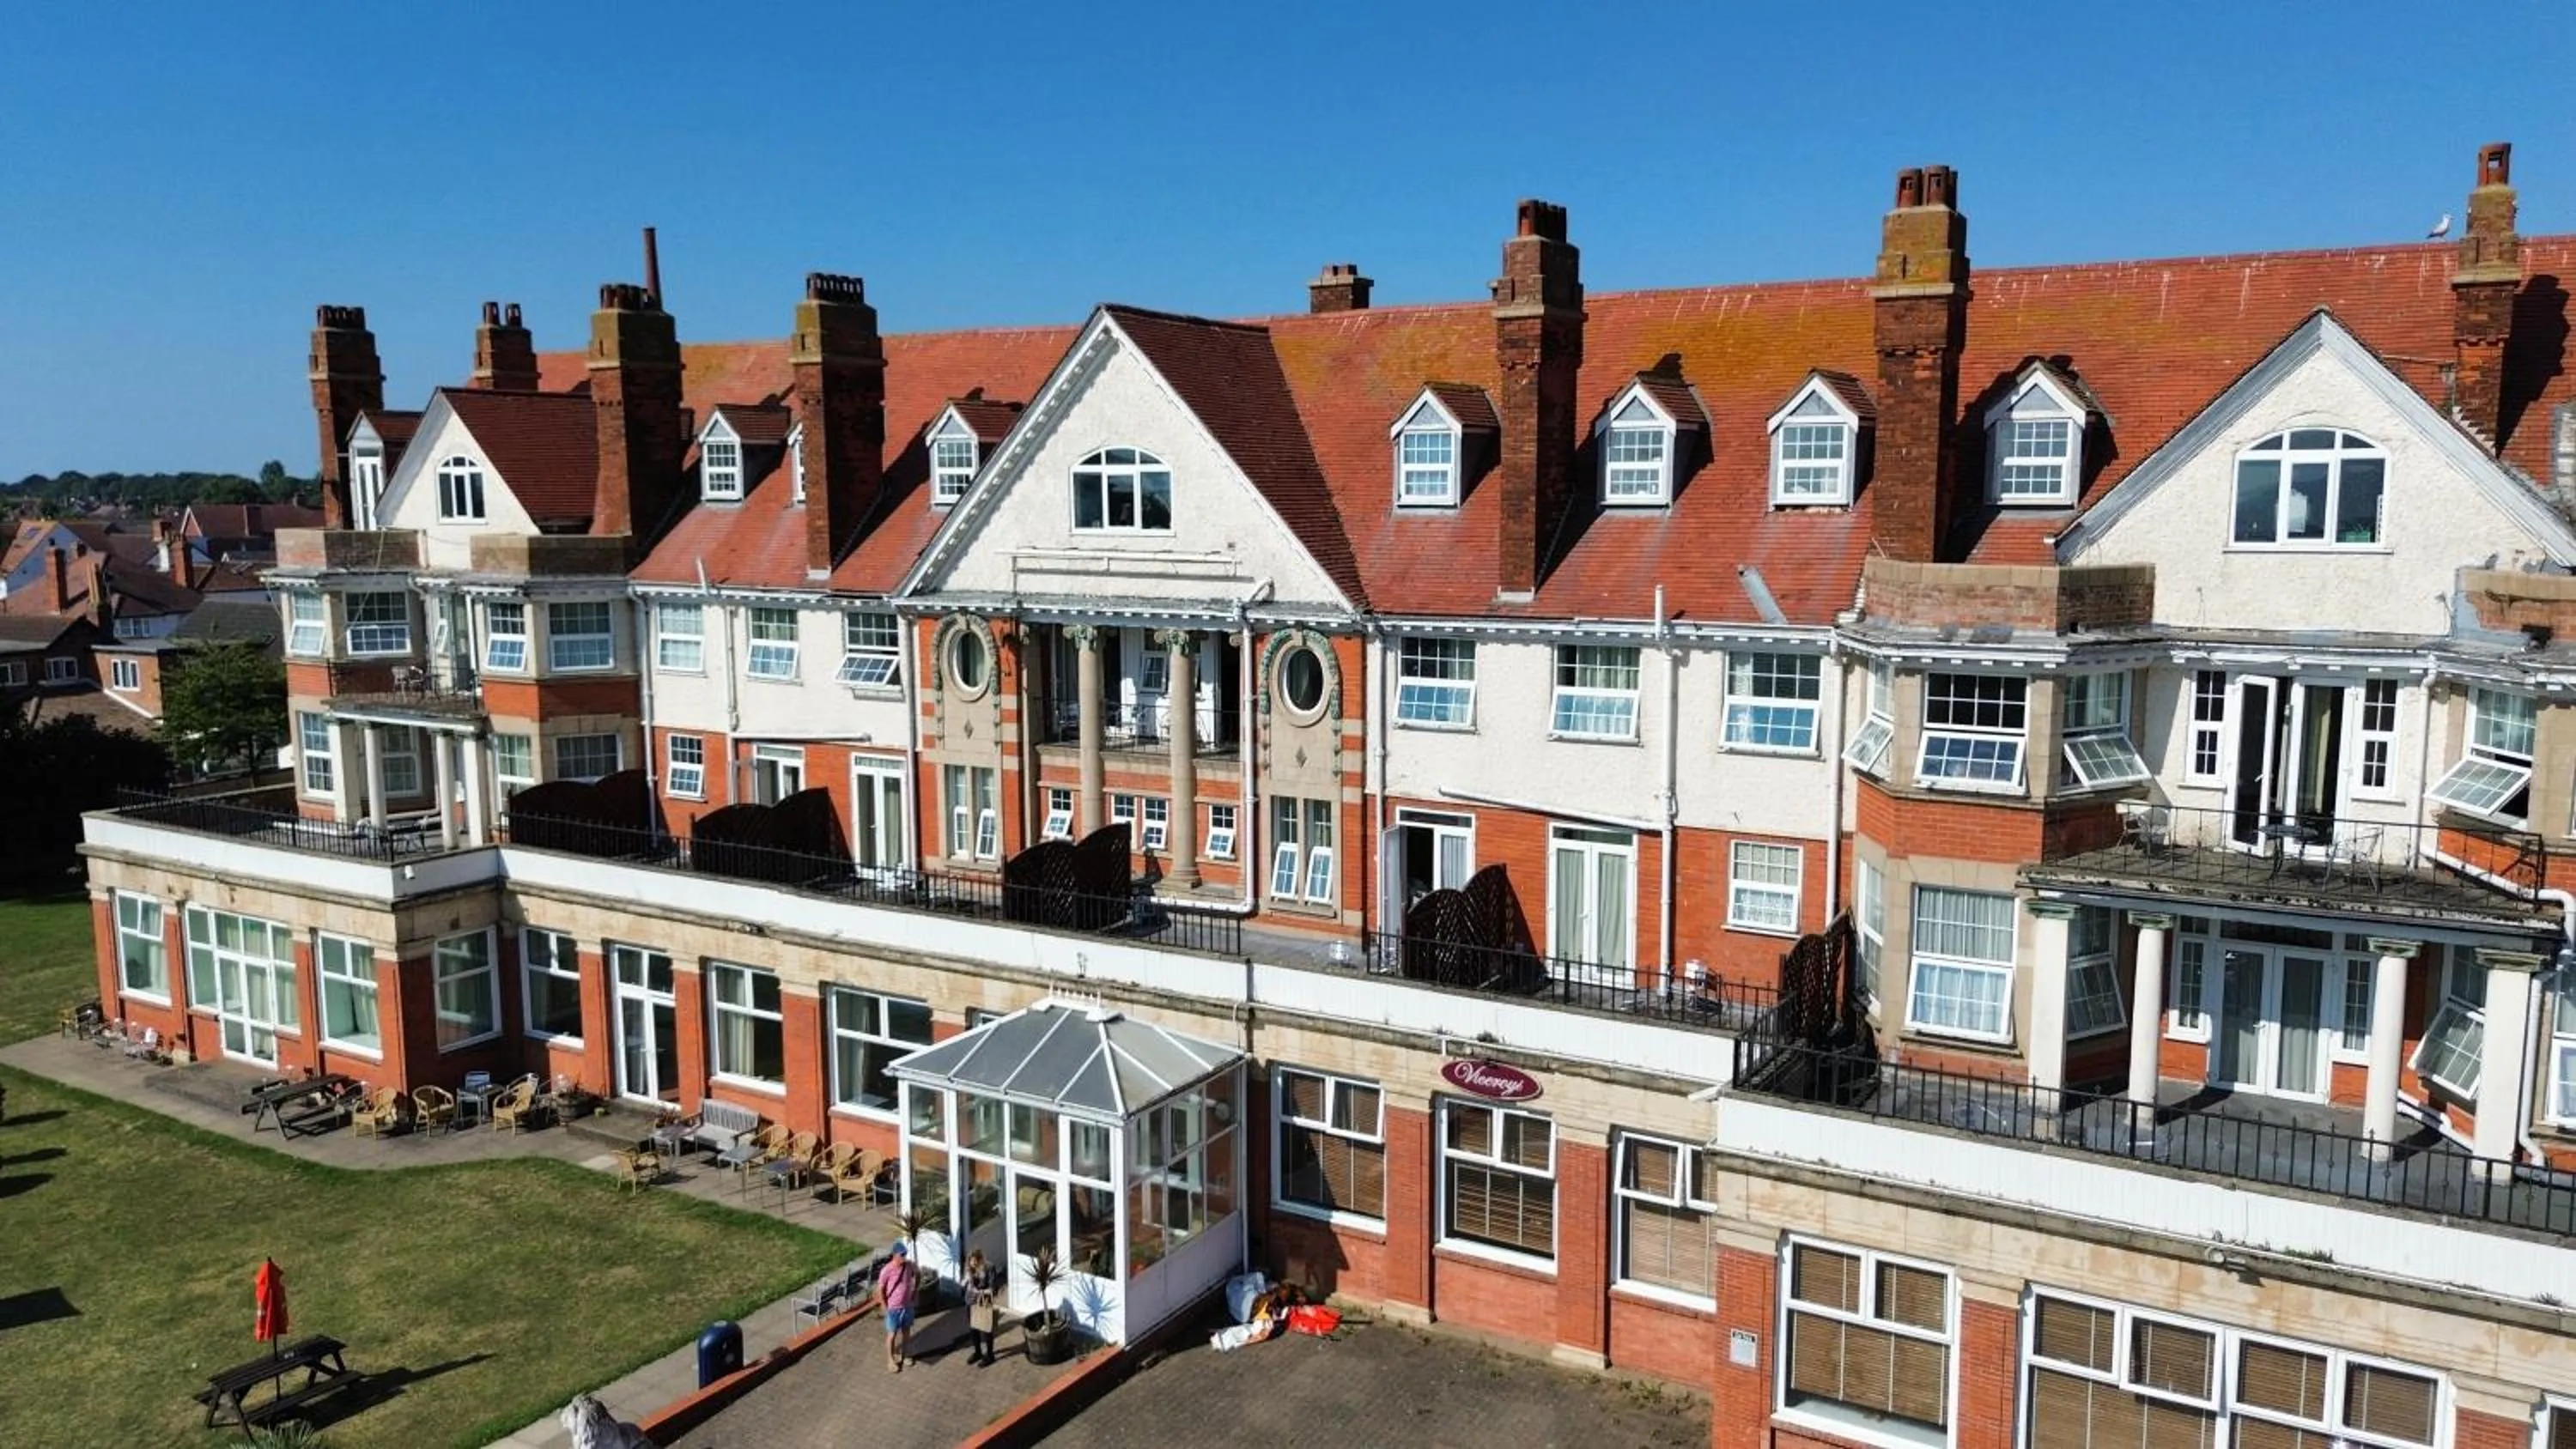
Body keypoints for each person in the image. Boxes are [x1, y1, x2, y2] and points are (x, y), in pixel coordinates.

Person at [876, 1241, 918, 1373]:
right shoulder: (887, 1270)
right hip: (893, 1308)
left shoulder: (909, 1266)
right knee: (892, 1334)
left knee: (906, 1332)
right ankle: (891, 1359)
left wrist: (915, 1291)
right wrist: (884, 1305)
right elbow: (880, 1289)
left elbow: (918, 1275)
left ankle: (904, 1356)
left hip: (907, 1306)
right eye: (902, 1255)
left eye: (905, 1254)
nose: (904, 1257)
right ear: (894, 1255)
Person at [962, 1248, 1004, 1367]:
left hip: (984, 1302)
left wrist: (978, 1291)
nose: (973, 1264)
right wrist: (966, 1281)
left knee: (986, 1329)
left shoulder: (989, 1268)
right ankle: (978, 1352)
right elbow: (964, 1285)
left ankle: (990, 1355)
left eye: (975, 1262)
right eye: (971, 1262)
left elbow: (992, 1289)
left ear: (980, 1260)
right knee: (973, 1329)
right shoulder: (969, 1269)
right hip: (970, 1302)